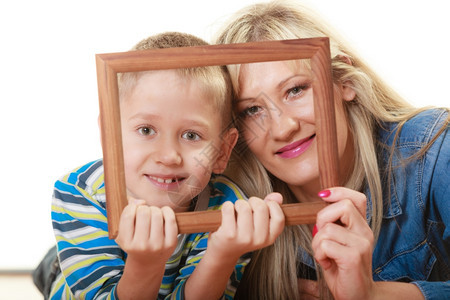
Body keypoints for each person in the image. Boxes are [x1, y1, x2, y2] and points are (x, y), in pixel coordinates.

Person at [214, 1, 449, 299]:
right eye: (251, 110)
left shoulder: (433, 150)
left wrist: (373, 295)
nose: (283, 128)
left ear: (345, 82)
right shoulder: (232, 212)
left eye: (296, 90)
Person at [45, 31, 285, 300]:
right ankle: (49, 266)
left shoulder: (228, 208)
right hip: (77, 280)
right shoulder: (79, 192)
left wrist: (221, 255)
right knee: (55, 269)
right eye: (146, 130)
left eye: (191, 135)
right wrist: (146, 263)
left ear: (222, 151)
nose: (169, 156)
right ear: (109, 135)